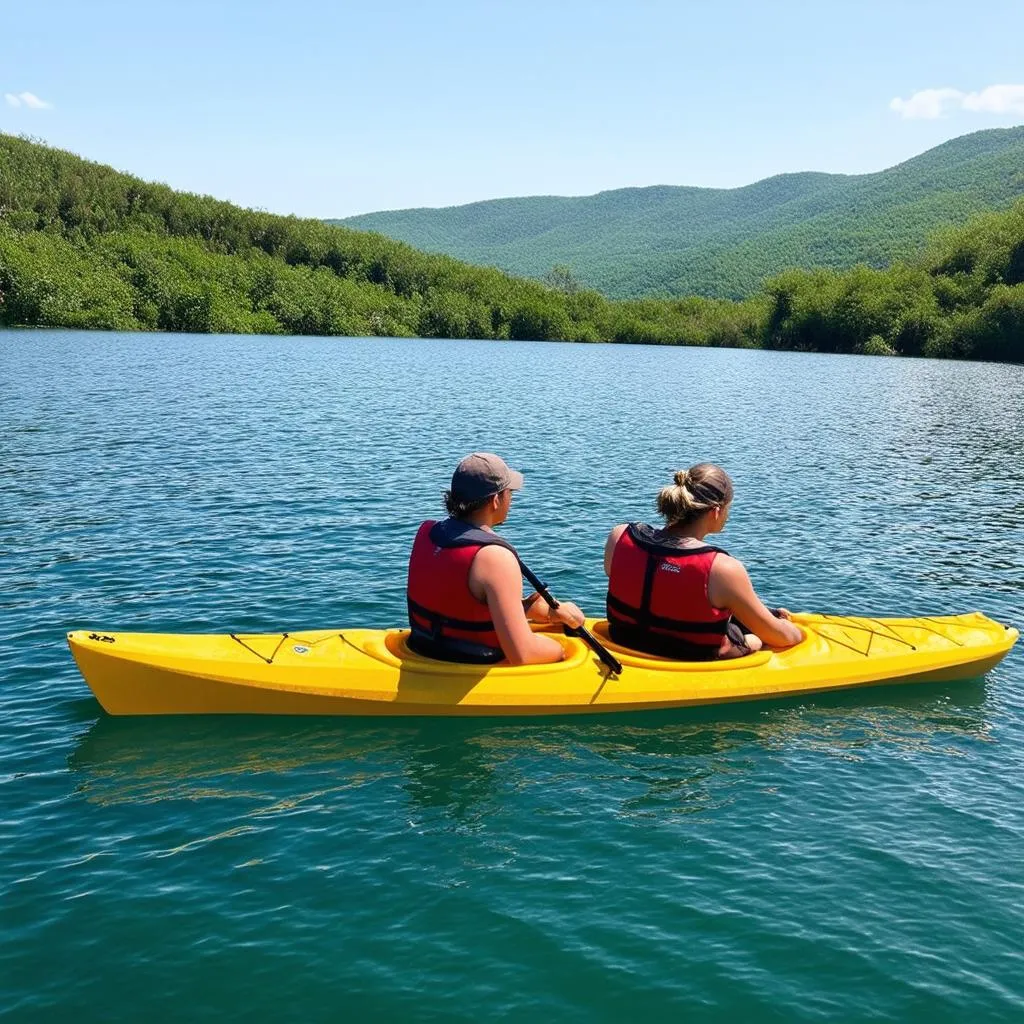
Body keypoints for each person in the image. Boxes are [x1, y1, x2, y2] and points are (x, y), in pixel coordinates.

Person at [603, 463, 803, 660]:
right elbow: (781, 637)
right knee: (756, 640)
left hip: (623, 641)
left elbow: (667, 589)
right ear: (716, 511)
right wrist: (798, 633)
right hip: (693, 658)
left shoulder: (619, 536)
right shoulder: (723, 569)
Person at [407, 452, 586, 665]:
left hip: (422, 651)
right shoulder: (495, 558)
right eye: (509, 492)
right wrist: (562, 649)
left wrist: (533, 610)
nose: (511, 499)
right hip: (471, 666)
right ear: (495, 500)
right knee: (561, 650)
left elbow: (460, 600)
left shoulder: (427, 531)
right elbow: (523, 655)